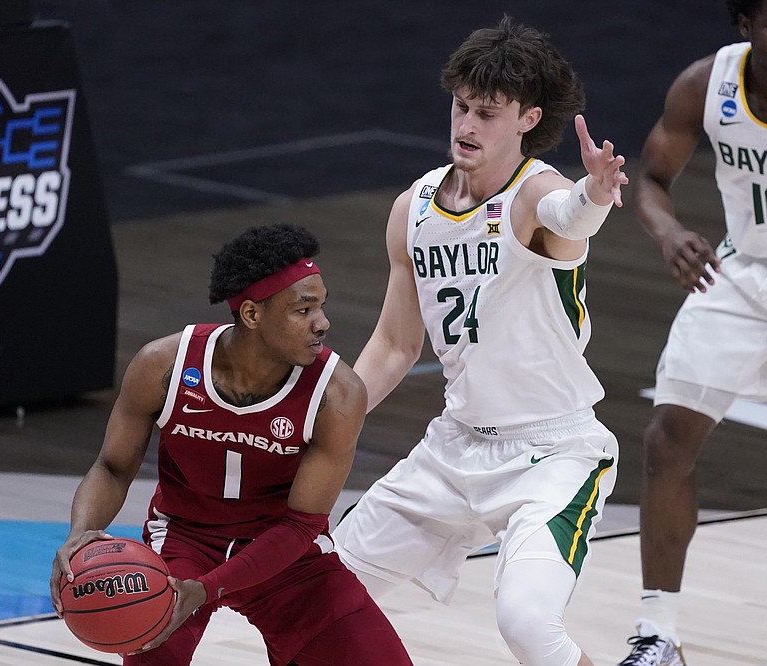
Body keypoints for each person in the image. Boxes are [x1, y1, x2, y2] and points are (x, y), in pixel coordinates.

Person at [331, 16, 629, 666]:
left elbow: (567, 214)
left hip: (554, 454)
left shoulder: (535, 194)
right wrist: (323, 421)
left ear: (527, 117)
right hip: (456, 446)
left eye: (486, 113)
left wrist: (596, 194)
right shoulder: (414, 208)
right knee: (324, 598)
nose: (466, 125)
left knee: (526, 624)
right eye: (461, 107)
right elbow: (392, 344)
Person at [50, 223, 413, 665]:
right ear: (252, 315)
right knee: (149, 647)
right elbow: (112, 467)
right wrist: (80, 533)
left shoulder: (337, 394)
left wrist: (207, 589)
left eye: (322, 306)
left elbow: (301, 526)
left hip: (287, 555)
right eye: (303, 310)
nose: (323, 323)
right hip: (185, 541)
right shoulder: (163, 366)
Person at [617, 2, 767, 664]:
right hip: (740, 279)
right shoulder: (705, 85)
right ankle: (658, 634)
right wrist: (670, 232)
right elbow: (649, 180)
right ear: (745, 24)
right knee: (667, 437)